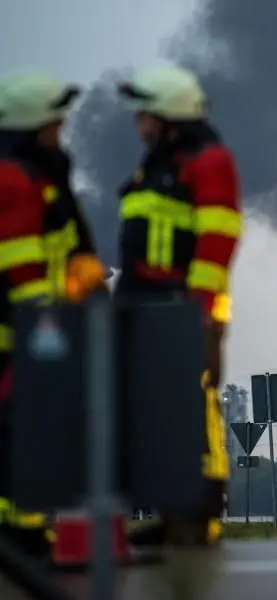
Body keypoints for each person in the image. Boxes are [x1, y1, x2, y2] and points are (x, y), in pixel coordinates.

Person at [115, 64, 243, 547]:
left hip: (187, 307)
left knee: (196, 407)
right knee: (158, 413)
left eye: (145, 112)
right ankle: (172, 513)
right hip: (147, 307)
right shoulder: (155, 165)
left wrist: (201, 307)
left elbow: (218, 238)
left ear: (167, 115)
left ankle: (200, 513)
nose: (138, 121)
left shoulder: (207, 161)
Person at [0, 71, 105, 558]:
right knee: (15, 423)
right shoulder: (13, 176)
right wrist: (47, 319)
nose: (60, 131)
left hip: (36, 321)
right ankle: (19, 533)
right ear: (29, 125)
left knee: (28, 423)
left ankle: (23, 528)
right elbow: (21, 260)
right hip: (20, 325)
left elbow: (63, 244)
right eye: (53, 125)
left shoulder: (44, 174)